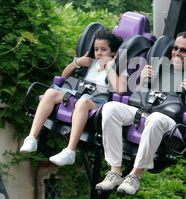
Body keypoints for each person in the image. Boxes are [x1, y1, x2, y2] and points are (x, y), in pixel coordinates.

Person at [96, 31, 186, 196]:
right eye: (175, 48)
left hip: (172, 125)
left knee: (156, 118)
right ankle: (115, 171)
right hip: (145, 113)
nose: (177, 53)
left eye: (183, 50)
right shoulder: (159, 68)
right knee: (110, 108)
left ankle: (135, 176)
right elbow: (138, 97)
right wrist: (142, 82)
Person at [20, 28, 126, 165]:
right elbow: (63, 77)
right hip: (78, 94)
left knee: (83, 102)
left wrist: (110, 68)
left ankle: (69, 151)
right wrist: (77, 63)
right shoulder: (91, 63)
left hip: (97, 102)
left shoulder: (117, 67)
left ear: (113, 52)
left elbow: (121, 90)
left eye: (103, 49)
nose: (99, 53)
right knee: (51, 92)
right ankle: (32, 138)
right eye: (96, 49)